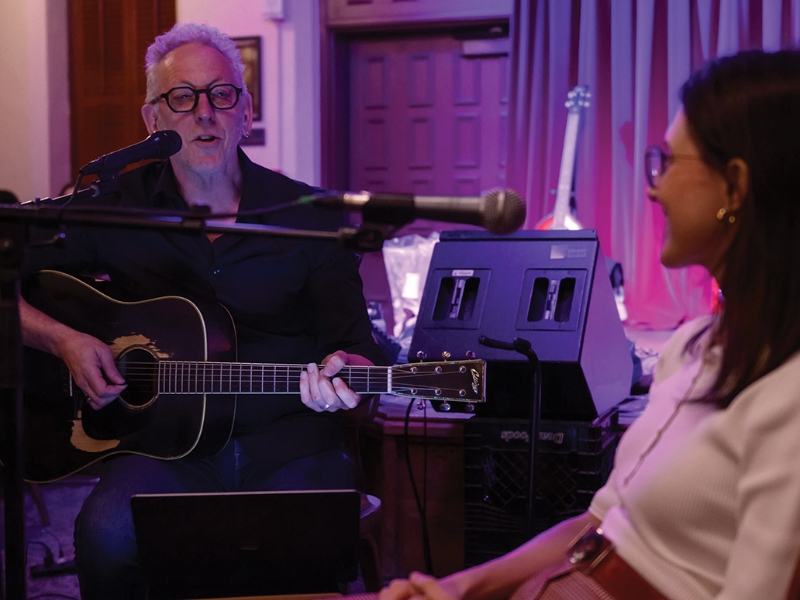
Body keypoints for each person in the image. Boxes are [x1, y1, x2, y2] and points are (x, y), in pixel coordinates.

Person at [379, 50, 800, 600]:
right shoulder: (694, 346)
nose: (654, 187)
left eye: (667, 162)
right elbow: (599, 526)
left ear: (736, 186)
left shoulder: (788, 396)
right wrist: (459, 586)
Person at [19, 22, 386, 599]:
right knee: (105, 534)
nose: (204, 113)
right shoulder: (113, 210)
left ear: (245, 111)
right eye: (181, 97)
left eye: (221, 94)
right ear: (153, 121)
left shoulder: (310, 218)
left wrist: (348, 373)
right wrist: (61, 339)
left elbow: (359, 349)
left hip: (287, 444)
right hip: (158, 449)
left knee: (302, 544)